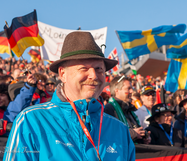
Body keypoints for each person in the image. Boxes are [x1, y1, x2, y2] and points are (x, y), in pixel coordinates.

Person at [4, 31, 135, 161]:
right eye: (84, 68)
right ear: (62, 74)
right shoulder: (31, 120)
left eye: (99, 69)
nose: (94, 76)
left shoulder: (121, 130)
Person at [104, 76, 151, 144]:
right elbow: (110, 134)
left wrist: (144, 137)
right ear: (116, 90)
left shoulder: (129, 109)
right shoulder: (109, 109)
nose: (132, 91)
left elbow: (135, 130)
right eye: (128, 88)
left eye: (131, 88)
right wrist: (133, 133)